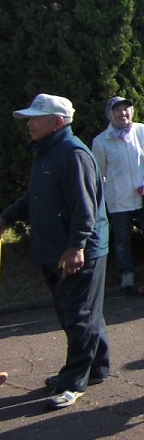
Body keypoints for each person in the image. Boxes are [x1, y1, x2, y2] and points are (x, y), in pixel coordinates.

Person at [0, 94, 109, 410]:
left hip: (76, 250)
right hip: (53, 248)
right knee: (81, 312)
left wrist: (77, 246)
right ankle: (96, 368)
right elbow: (34, 197)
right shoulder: (46, 152)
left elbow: (85, 208)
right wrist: (6, 219)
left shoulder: (73, 154)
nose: (29, 123)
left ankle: (74, 381)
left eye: (35, 118)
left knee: (78, 315)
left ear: (57, 122)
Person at [91, 95, 144, 293]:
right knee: (122, 239)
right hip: (119, 199)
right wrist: (106, 194)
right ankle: (126, 274)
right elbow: (99, 173)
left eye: (126, 109)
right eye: (117, 110)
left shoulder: (142, 131)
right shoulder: (101, 141)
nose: (123, 113)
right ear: (110, 114)